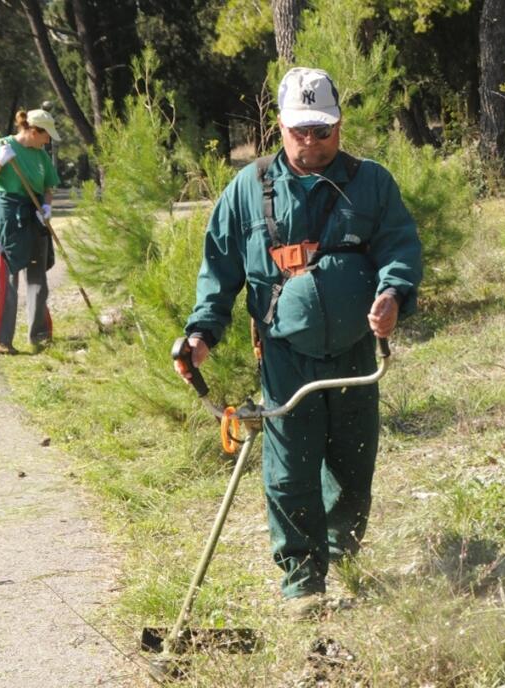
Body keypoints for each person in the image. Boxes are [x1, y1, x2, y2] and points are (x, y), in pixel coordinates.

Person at [176, 67, 423, 617]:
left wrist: (393, 294)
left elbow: (400, 246)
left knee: (353, 466)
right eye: (299, 131)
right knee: (289, 473)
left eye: (322, 130)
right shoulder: (248, 188)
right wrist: (200, 334)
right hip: (285, 357)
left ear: (339, 124)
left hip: (356, 355)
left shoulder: (372, 182)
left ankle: (340, 552)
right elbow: (218, 272)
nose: (310, 142)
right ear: (280, 128)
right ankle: (304, 582)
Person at [0, 109, 61, 354]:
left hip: (34, 216)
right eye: (46, 135)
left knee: (38, 279)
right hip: (8, 218)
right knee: (8, 279)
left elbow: (48, 187)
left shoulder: (41, 154)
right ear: (33, 131)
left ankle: (40, 336)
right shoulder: (1, 146)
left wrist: (46, 206)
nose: (48, 140)